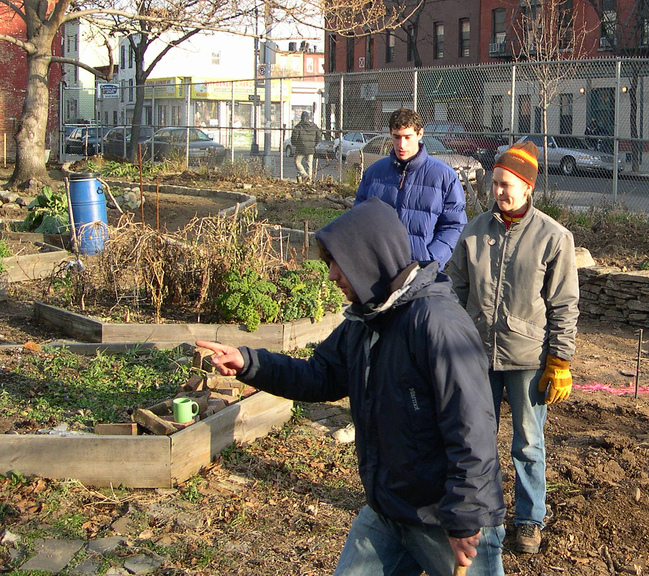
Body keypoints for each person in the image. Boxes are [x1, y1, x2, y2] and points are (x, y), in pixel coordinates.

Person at [197, 198, 506, 576]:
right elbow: (319, 376)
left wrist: (465, 516)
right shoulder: (366, 321)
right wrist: (250, 363)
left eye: (335, 263)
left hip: (445, 519)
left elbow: (472, 427)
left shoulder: (436, 324)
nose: (330, 276)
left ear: (367, 257)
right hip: (389, 509)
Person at [447, 140, 579, 555]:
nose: (499, 191)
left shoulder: (553, 237)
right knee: (476, 440)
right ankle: (481, 515)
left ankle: (529, 520)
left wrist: (559, 359)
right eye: (495, 183)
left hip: (527, 358)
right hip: (476, 356)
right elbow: (454, 290)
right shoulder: (474, 232)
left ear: (527, 188)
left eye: (507, 184)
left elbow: (563, 304)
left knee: (527, 442)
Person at [355, 107, 466, 269]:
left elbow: (454, 225)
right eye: (396, 137)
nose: (401, 144)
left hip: (421, 272)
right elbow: (359, 219)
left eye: (408, 137)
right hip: (378, 269)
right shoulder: (373, 173)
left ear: (420, 134)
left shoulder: (444, 176)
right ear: (390, 134)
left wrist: (432, 259)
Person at [291, 111, 321, 182]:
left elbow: (294, 137)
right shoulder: (314, 126)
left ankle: (304, 175)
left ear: (301, 118)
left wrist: (296, 144)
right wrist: (314, 144)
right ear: (308, 118)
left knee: (297, 162)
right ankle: (309, 181)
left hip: (300, 148)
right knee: (309, 164)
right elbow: (319, 136)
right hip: (311, 148)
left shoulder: (298, 126)